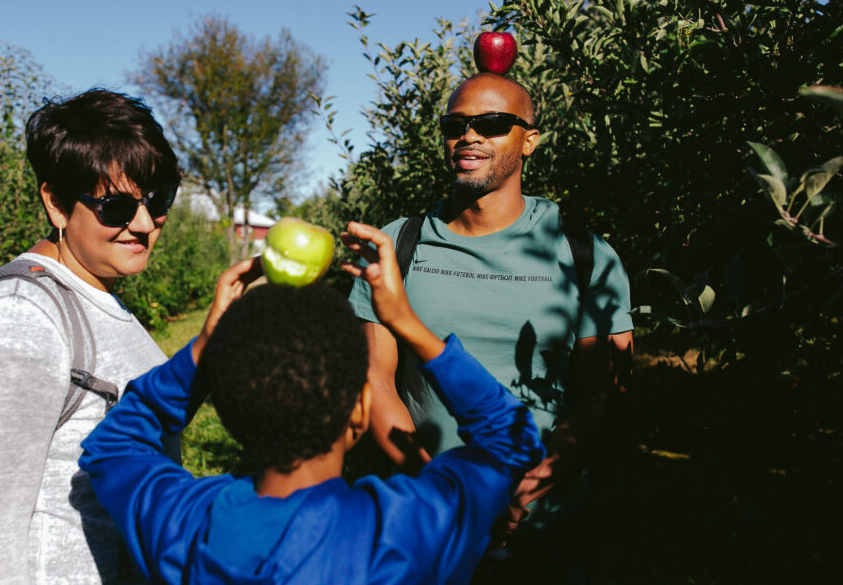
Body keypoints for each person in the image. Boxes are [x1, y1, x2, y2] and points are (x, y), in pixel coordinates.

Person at [78, 221, 546, 584]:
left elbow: (114, 443)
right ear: (360, 411)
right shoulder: (413, 527)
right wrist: (407, 324)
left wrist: (205, 345)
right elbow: (510, 436)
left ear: (224, 409)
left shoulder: (186, 525)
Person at [347, 71, 634, 555]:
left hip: (544, 526)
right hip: (424, 520)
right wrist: (436, 487)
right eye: (455, 124)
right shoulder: (398, 243)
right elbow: (374, 380)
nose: (470, 135)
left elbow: (606, 390)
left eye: (493, 123)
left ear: (530, 141)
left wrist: (536, 481)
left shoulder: (583, 250)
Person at [0, 89, 181, 583]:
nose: (143, 225)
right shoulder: (17, 320)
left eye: (158, 201)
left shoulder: (95, 293)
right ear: (56, 202)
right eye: (115, 207)